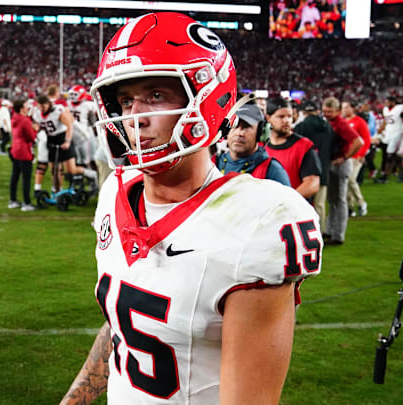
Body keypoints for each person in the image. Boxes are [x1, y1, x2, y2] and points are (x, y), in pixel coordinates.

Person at [61, 13, 322, 405]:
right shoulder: (115, 191)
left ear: (208, 99)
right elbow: (126, 323)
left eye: (156, 95)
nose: (135, 118)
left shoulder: (258, 220)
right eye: (126, 100)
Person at [321, 97, 363, 245]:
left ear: (337, 111)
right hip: (334, 162)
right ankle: (330, 230)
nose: (326, 114)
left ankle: (338, 235)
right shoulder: (331, 122)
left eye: (329, 112)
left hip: (340, 164)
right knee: (333, 200)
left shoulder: (341, 124)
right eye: (325, 111)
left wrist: (344, 157)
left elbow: (359, 142)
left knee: (339, 200)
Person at [215, 103, 290, 186]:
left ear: (260, 133)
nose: (239, 133)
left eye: (246, 127)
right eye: (234, 126)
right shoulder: (213, 164)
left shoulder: (272, 170)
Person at [265, 97, 322, 200]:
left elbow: (312, 183)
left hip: (296, 212)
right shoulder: (262, 147)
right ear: (268, 117)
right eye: (281, 116)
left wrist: (287, 202)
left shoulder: (304, 146)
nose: (287, 120)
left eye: (289, 116)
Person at [294, 99, 333, 226]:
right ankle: (319, 235)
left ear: (304, 112)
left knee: (302, 205)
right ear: (317, 111)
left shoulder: (300, 127)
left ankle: (307, 236)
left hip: (306, 173)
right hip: (324, 169)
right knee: (320, 205)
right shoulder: (328, 127)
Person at [8, 99, 37, 212]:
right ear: (21, 108)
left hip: (15, 149)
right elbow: (31, 137)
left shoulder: (14, 118)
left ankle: (13, 200)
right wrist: (35, 130)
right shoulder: (24, 120)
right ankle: (26, 203)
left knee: (15, 177)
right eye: (25, 106)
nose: (27, 107)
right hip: (24, 151)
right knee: (26, 178)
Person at [342, 101, 370, 217]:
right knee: (346, 182)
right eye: (343, 108)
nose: (344, 110)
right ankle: (350, 207)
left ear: (353, 108)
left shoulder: (359, 121)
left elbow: (366, 139)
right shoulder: (343, 122)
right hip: (346, 156)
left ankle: (361, 203)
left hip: (356, 156)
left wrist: (362, 154)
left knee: (351, 180)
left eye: (347, 107)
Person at [375, 96, 403, 183]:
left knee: (390, 156)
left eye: (387, 102)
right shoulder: (385, 109)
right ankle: (398, 174)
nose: (386, 103)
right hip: (388, 134)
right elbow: (385, 120)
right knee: (395, 156)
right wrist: (381, 128)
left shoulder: (400, 108)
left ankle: (385, 177)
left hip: (398, 133)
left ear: (392, 102)